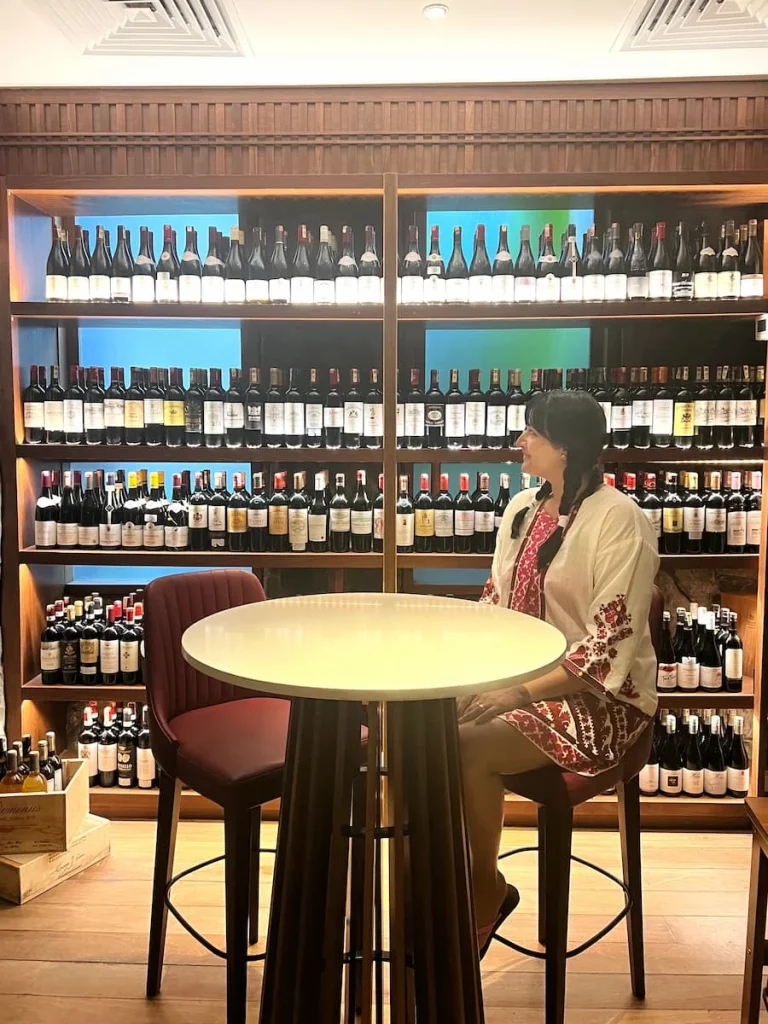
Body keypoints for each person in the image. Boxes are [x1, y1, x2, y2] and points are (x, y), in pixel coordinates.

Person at [458, 388, 659, 957]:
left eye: (533, 434)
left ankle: (482, 892)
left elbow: (608, 645)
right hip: (520, 682)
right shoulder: (522, 508)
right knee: (420, 723)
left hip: (604, 701)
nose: (521, 442)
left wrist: (515, 692)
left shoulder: (621, 521)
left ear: (565, 448)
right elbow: (496, 599)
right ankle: (434, 882)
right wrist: (466, 673)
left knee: (467, 744)